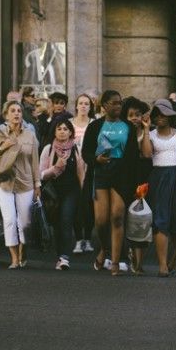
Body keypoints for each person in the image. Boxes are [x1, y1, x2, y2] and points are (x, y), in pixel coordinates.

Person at [81, 90, 140, 276]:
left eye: (120, 103)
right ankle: (104, 249)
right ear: (104, 105)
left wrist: (132, 179)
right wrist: (96, 159)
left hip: (121, 173)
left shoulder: (128, 127)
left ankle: (115, 262)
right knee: (101, 220)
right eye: (114, 103)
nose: (118, 107)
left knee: (116, 216)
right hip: (100, 172)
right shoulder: (95, 126)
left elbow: (133, 155)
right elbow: (86, 152)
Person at [0, 100, 41, 269]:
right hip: (4, 182)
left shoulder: (29, 135)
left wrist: (37, 184)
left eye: (19, 110)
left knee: (24, 223)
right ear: (6, 115)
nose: (17, 113)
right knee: (9, 220)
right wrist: (3, 147)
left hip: (25, 183)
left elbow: (34, 162)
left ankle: (23, 250)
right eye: (13, 111)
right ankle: (14, 258)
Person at [146, 99, 176, 277]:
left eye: (163, 114)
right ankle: (162, 265)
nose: (160, 118)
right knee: (160, 220)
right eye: (157, 115)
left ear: (170, 116)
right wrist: (144, 129)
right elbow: (147, 154)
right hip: (159, 177)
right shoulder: (151, 135)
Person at [39, 113, 85, 271]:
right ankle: (60, 255)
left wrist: (83, 191)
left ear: (71, 132)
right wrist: (56, 168)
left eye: (66, 129)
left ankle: (65, 257)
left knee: (66, 220)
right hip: (53, 192)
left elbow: (81, 173)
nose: (63, 132)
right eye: (59, 129)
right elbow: (41, 174)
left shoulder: (76, 149)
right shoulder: (48, 149)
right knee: (57, 224)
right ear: (54, 131)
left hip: (71, 191)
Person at [123, 96, 152, 274]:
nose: (134, 118)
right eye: (131, 115)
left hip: (143, 178)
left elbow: (147, 154)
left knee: (142, 220)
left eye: (138, 114)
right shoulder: (122, 132)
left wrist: (146, 131)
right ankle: (128, 254)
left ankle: (139, 262)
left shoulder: (146, 132)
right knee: (127, 219)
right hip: (126, 178)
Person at [70, 92, 96, 253]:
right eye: (81, 103)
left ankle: (88, 238)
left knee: (90, 206)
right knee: (76, 205)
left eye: (87, 104)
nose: (84, 106)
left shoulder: (94, 123)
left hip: (90, 168)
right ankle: (78, 240)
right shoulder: (70, 123)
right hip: (73, 168)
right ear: (76, 106)